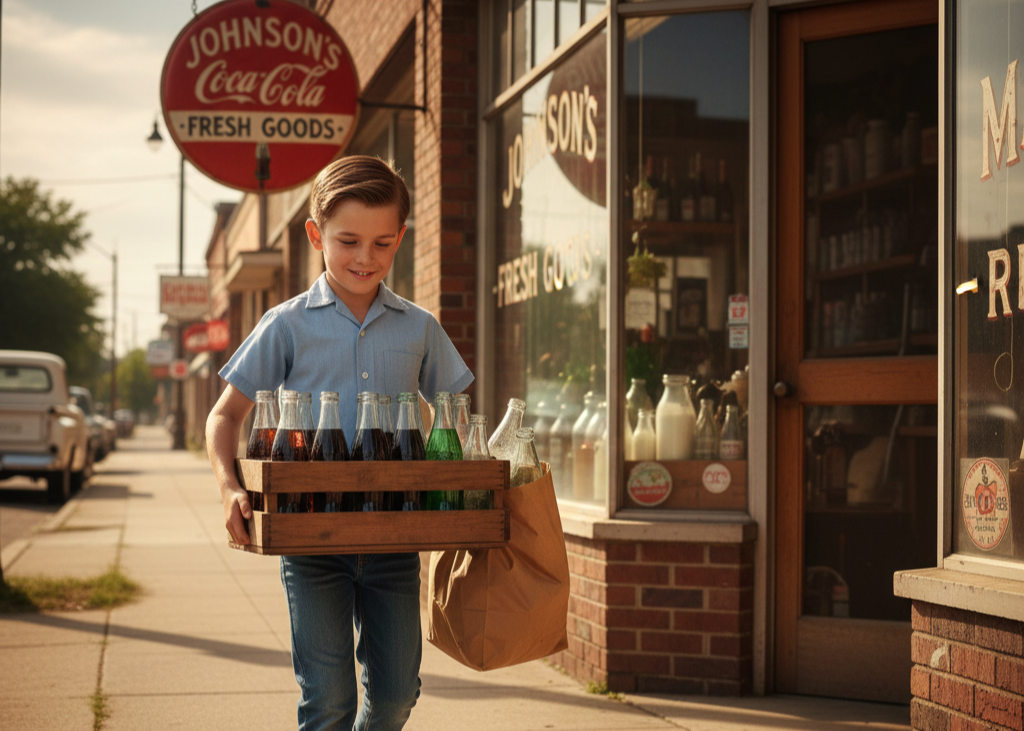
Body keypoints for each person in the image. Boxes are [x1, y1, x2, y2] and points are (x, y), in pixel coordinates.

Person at [205, 155, 473, 731]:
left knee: (399, 693)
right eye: (348, 240)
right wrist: (230, 487)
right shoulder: (286, 323)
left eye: (382, 243)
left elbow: (455, 413)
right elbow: (224, 417)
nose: (365, 258)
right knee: (327, 702)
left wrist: (469, 483)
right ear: (315, 235)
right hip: (310, 540)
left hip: (396, 540)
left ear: (401, 238)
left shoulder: (419, 326)